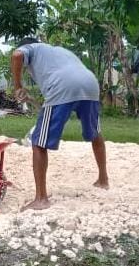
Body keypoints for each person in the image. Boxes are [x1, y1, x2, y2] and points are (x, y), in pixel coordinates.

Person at [11, 38, 109, 211]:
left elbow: (17, 55)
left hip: (63, 86)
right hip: (90, 84)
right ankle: (103, 180)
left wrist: (18, 86)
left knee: (39, 142)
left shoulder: (30, 48)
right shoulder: (59, 52)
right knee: (95, 132)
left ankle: (41, 199)